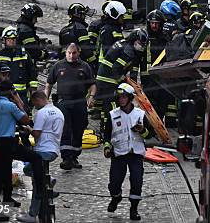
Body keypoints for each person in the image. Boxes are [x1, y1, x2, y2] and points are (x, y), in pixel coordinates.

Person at [0, 80, 36, 221]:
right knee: (33, 158)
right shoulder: (10, 106)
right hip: (7, 143)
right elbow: (26, 120)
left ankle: (4, 200)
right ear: (10, 93)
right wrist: (19, 102)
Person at [45, 43, 96, 170]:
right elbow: (49, 84)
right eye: (69, 53)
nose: (71, 56)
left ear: (78, 53)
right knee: (66, 128)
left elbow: (92, 84)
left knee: (79, 128)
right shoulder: (58, 66)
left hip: (79, 102)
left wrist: (91, 96)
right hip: (63, 102)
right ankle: (66, 158)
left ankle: (74, 157)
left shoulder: (84, 67)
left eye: (74, 53)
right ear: (65, 52)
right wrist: (46, 99)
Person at [103, 84, 150, 221]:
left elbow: (150, 135)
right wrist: (107, 147)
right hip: (119, 154)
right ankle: (116, 198)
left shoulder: (140, 114)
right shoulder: (113, 115)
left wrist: (142, 130)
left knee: (137, 181)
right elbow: (106, 135)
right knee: (114, 183)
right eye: (119, 97)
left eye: (124, 97)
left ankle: (134, 209)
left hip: (136, 154)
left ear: (130, 98)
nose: (121, 100)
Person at [16, 91, 64, 223]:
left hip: (42, 150)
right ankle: (48, 180)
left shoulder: (41, 113)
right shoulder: (58, 111)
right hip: (54, 150)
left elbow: (36, 134)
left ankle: (32, 215)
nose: (34, 106)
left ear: (38, 99)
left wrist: (28, 129)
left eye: (34, 103)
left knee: (38, 183)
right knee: (30, 172)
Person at [95, 29, 148, 139]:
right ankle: (108, 132)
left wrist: (132, 83)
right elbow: (116, 69)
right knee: (112, 106)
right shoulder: (128, 50)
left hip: (104, 78)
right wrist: (124, 82)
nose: (141, 46)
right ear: (134, 40)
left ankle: (105, 130)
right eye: (140, 43)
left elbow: (131, 69)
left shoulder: (125, 44)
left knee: (106, 107)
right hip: (108, 80)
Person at [0, 26, 38, 108]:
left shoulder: (24, 55)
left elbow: (32, 75)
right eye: (9, 39)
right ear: (4, 40)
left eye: (14, 39)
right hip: (3, 95)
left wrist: (32, 96)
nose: (12, 41)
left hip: (22, 95)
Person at [97, 0, 127, 67]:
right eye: (121, 16)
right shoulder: (106, 30)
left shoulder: (116, 29)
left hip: (113, 65)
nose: (123, 18)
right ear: (115, 15)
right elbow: (108, 50)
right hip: (106, 65)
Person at [87, 0, 112, 73]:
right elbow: (90, 43)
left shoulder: (114, 25)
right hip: (98, 58)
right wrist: (93, 59)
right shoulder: (96, 25)